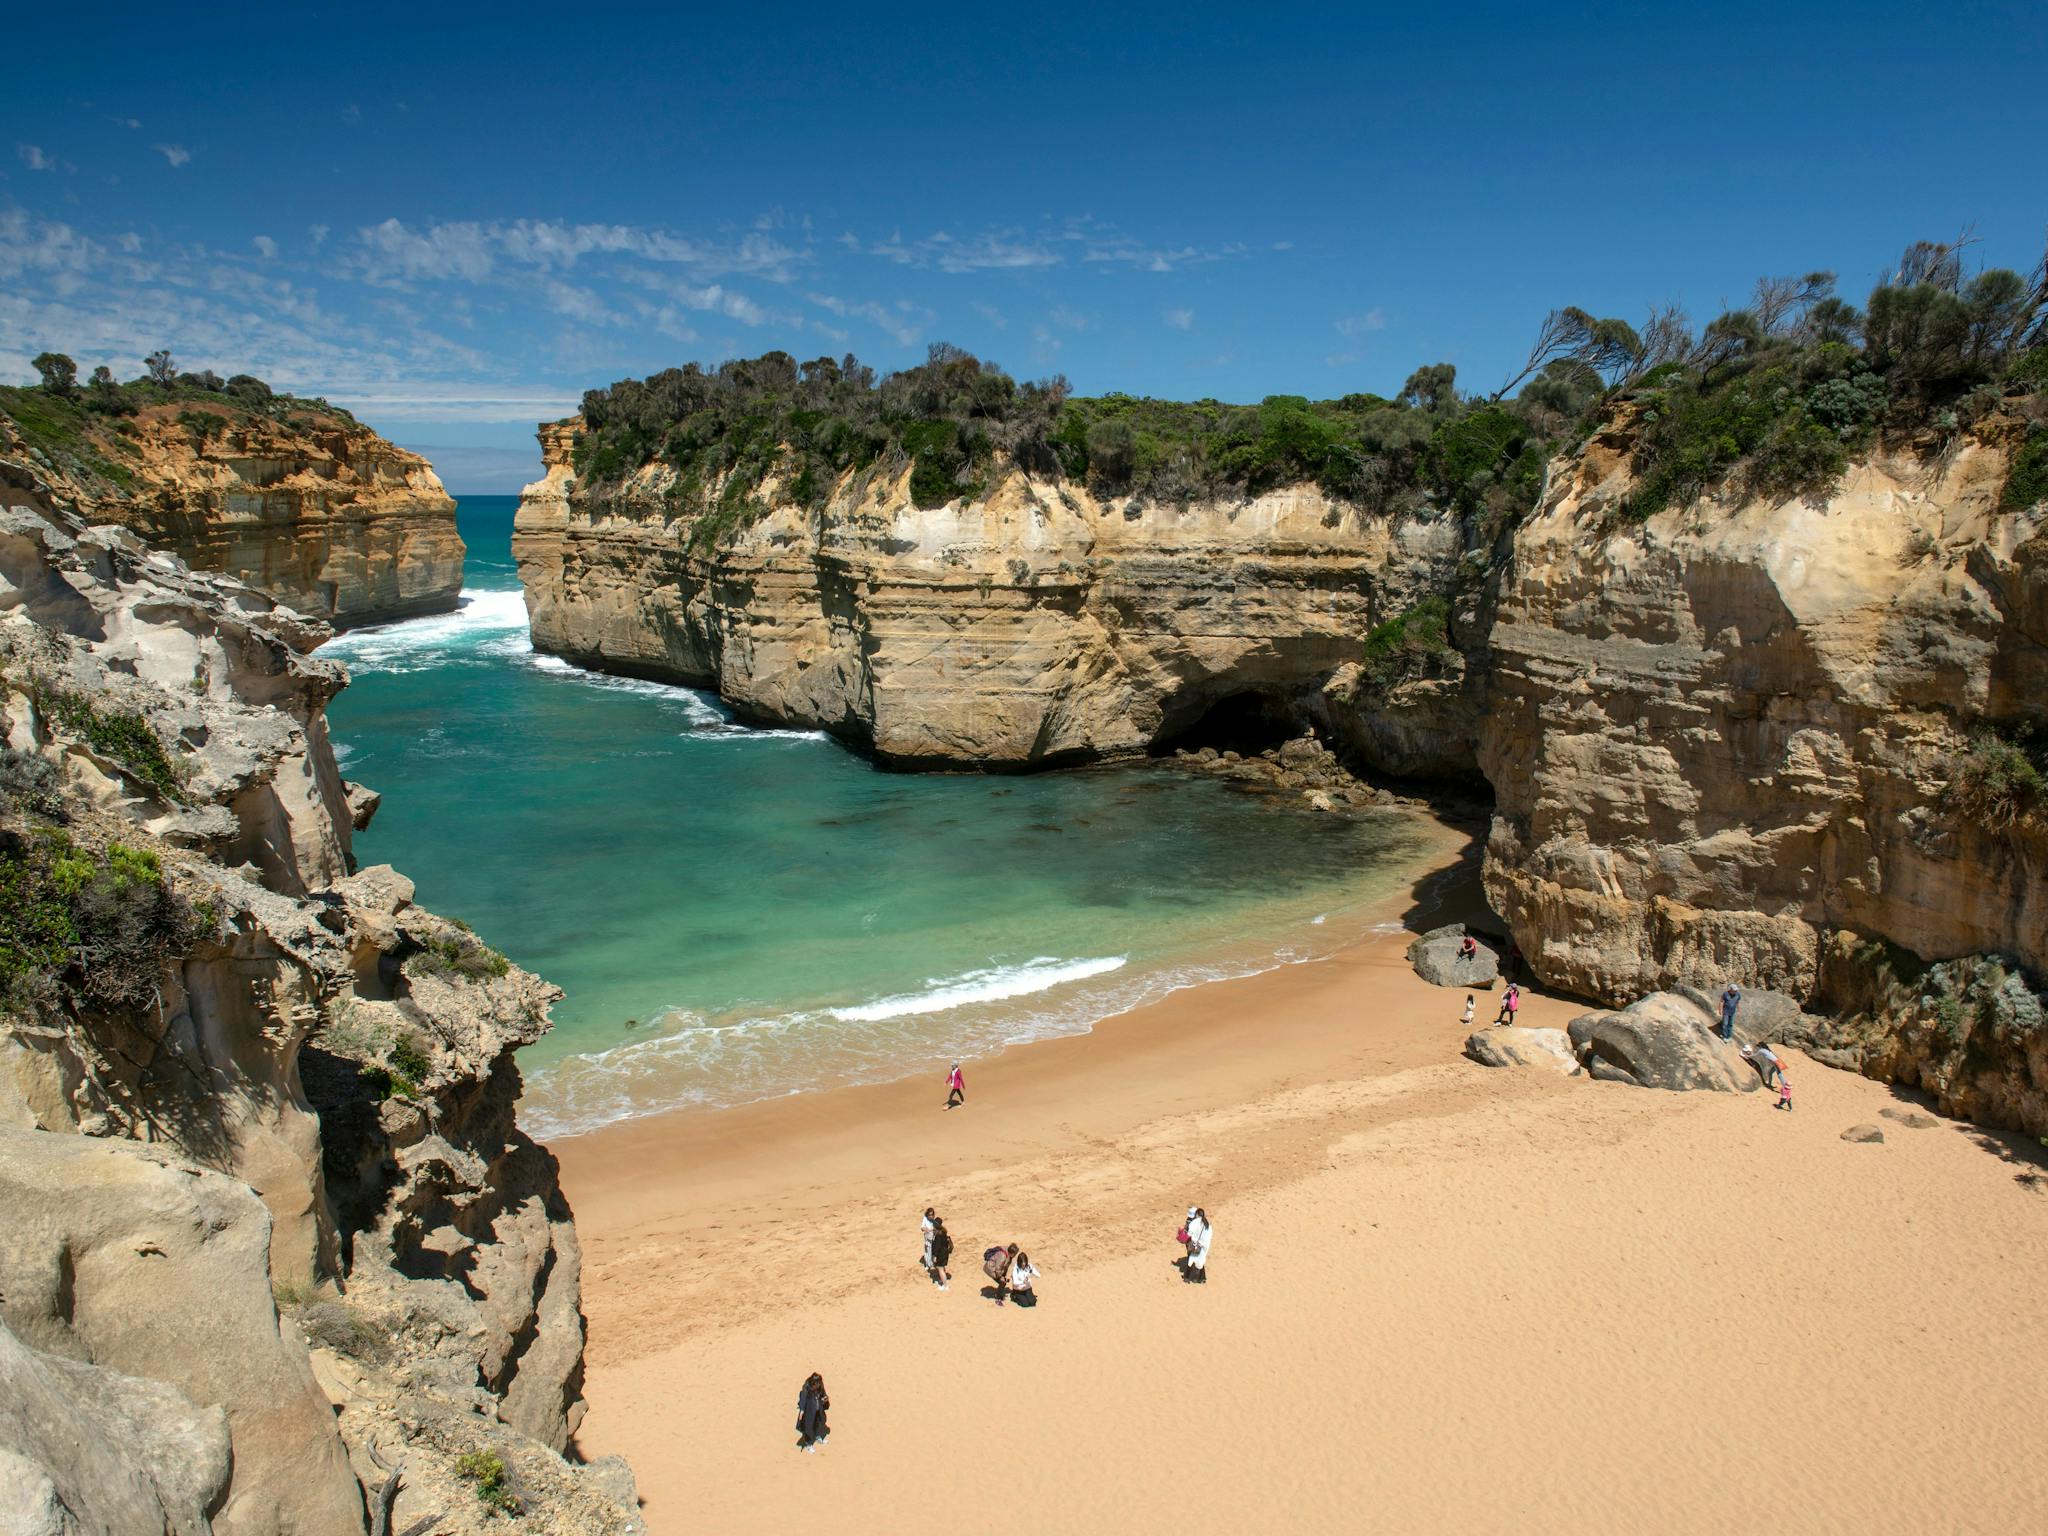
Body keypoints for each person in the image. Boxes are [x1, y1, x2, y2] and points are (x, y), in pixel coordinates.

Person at [796, 1372, 830, 1451]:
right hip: (809, 1412)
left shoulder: (820, 1387)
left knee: (818, 1424)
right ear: (813, 1383)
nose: (819, 1385)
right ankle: (809, 1444)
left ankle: (818, 1437)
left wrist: (825, 1399)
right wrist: (802, 1411)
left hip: (818, 1410)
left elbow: (823, 1395)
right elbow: (803, 1400)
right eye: (817, 1383)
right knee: (808, 1427)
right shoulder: (806, 1388)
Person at [921, 1207, 952, 1289]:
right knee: (942, 1268)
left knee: (940, 1269)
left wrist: (934, 1256)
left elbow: (937, 1247)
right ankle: (942, 1281)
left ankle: (945, 1286)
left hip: (941, 1254)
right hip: (944, 1253)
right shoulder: (943, 1232)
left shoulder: (938, 1235)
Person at [1182, 1206, 1212, 1284]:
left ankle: (1187, 1277)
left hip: (1194, 1244)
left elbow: (1189, 1233)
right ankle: (1201, 1278)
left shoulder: (1194, 1222)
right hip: (1204, 1246)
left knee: (1191, 1259)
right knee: (1200, 1261)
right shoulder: (1207, 1224)